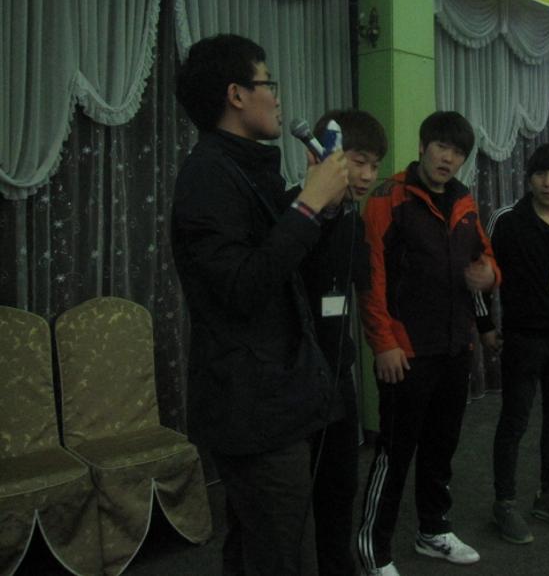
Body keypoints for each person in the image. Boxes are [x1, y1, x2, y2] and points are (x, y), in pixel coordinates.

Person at [171, 34, 349, 574]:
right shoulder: (207, 175)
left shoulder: (248, 167)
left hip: (278, 390)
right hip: (252, 403)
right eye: (268, 83)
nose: (277, 96)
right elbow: (244, 287)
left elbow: (288, 263)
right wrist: (309, 204)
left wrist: (325, 205)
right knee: (279, 553)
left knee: (256, 543)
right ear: (237, 95)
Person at [357, 111, 500, 576]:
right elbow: (371, 280)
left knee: (441, 447)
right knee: (394, 454)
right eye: (441, 147)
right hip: (406, 352)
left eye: (458, 152)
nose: (448, 158)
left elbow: (485, 257)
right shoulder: (388, 197)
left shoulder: (464, 201)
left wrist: (490, 275)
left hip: (455, 348)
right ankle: (373, 549)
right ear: (422, 146)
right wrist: (383, 343)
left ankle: (433, 530)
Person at [479, 143, 549, 545]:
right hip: (524, 337)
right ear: (529, 179)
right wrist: (485, 326)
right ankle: (505, 503)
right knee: (515, 421)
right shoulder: (506, 219)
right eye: (541, 174)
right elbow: (481, 272)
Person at [300, 109, 388, 576]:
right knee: (291, 497)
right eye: (359, 161)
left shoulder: (353, 221)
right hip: (292, 380)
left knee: (340, 484)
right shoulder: (293, 213)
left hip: (337, 374)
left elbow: (361, 285)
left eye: (375, 165)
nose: (368, 176)